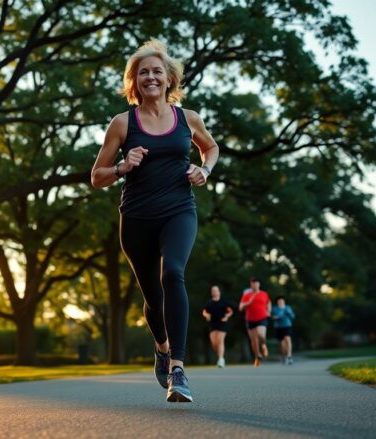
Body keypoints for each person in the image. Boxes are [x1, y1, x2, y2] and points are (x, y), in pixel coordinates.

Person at [91, 39, 219, 403]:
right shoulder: (122, 123)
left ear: (169, 79)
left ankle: (177, 369)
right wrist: (121, 166)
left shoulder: (187, 118)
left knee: (173, 273)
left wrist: (205, 170)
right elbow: (96, 176)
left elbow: (211, 147)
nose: (150, 77)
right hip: (136, 218)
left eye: (156, 71)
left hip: (179, 210)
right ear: (134, 81)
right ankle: (162, 347)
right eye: (143, 72)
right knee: (152, 294)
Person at [239, 277, 271, 367]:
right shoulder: (246, 295)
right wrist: (248, 303)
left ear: (259, 284)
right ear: (251, 285)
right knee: (253, 340)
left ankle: (264, 345)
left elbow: (268, 303)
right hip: (250, 319)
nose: (255, 285)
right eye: (253, 283)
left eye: (256, 283)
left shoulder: (264, 294)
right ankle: (257, 357)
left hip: (262, 318)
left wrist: (268, 311)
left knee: (261, 334)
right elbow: (240, 307)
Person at [202, 285, 233, 368]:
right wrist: (207, 315)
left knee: (220, 341)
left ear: (219, 292)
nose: (214, 292)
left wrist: (226, 317)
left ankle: (221, 359)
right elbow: (204, 312)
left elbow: (230, 311)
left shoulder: (223, 302)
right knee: (214, 344)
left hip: (222, 324)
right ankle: (220, 357)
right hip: (212, 324)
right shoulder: (209, 302)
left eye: (216, 291)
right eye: (213, 291)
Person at [271, 296, 296, 364]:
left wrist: (289, 314)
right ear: (277, 302)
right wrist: (276, 317)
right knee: (282, 344)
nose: (281, 302)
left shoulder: (287, 308)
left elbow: (293, 316)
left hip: (287, 325)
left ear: (284, 302)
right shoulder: (274, 309)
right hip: (278, 327)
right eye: (279, 301)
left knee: (288, 339)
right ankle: (284, 356)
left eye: (282, 301)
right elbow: (272, 317)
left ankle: (289, 356)